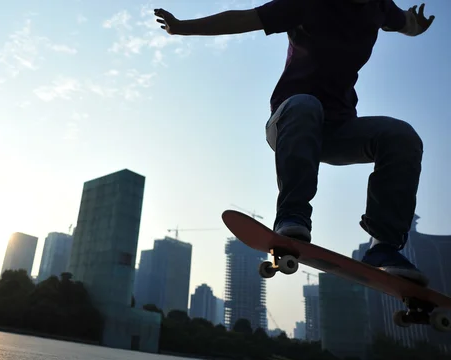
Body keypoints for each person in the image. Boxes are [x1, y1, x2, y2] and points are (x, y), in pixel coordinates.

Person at [154, 0, 435, 286]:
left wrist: (416, 26)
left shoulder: (379, 6)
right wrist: (181, 27)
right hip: (290, 122)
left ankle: (384, 247)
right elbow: (241, 20)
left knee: (402, 136)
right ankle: (292, 216)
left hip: (339, 131)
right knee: (305, 105)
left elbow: (405, 24)